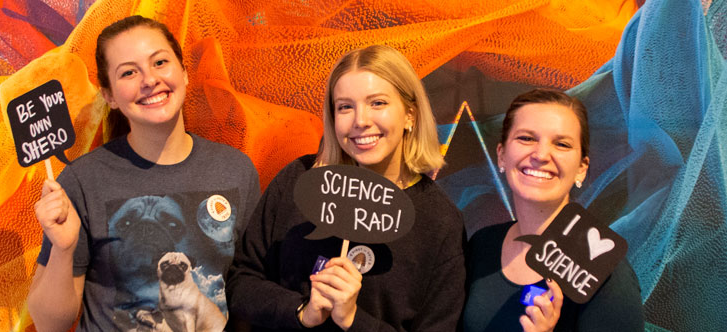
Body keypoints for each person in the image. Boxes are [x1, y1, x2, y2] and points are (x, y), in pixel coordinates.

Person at [27, 15, 260, 332]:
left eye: (160, 62)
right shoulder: (82, 181)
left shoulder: (234, 170)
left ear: (184, 72)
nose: (149, 80)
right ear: (108, 96)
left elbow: (249, 289)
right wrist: (64, 250)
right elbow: (49, 324)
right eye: (128, 72)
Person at [226, 44, 466, 331]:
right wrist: (302, 311)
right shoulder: (298, 179)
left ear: (409, 115)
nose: (360, 121)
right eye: (345, 107)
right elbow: (242, 282)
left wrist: (353, 319)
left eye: (377, 103)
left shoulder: (439, 221)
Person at [461, 89, 644, 331]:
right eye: (526, 138)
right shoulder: (482, 245)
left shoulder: (605, 275)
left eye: (561, 144)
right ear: (502, 155)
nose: (541, 154)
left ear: (581, 168)